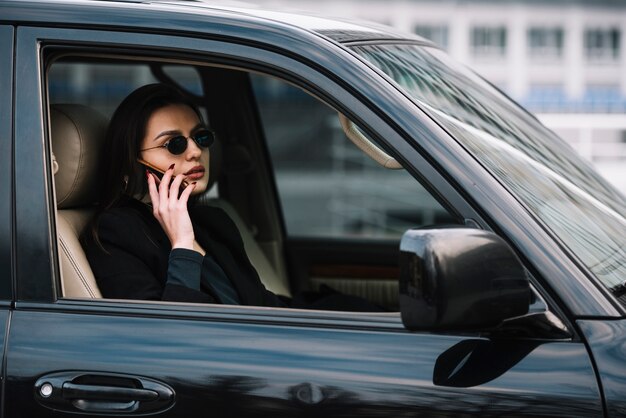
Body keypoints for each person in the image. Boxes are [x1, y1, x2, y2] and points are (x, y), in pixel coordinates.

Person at [83, 83, 383, 312]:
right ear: (132, 162)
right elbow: (166, 336)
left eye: (201, 137)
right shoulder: (114, 234)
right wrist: (183, 246)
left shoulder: (213, 221)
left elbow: (260, 305)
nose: (195, 151)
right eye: (174, 144)